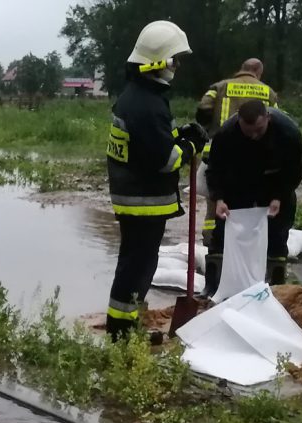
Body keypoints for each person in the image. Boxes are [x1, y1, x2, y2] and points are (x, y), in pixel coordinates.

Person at [105, 20, 207, 339]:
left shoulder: (139, 97)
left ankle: (123, 324)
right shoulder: (147, 104)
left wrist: (179, 134)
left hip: (135, 197)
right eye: (174, 59)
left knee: (133, 264)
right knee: (137, 267)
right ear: (158, 62)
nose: (177, 65)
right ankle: (122, 332)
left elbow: (151, 143)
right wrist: (192, 146)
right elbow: (166, 160)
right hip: (143, 201)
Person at [203, 100, 302, 295]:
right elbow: (214, 170)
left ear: (267, 118)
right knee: (221, 235)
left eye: (259, 130)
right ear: (239, 123)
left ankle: (276, 288)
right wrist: (219, 199)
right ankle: (213, 286)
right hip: (237, 185)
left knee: (277, 235)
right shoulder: (226, 134)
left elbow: (296, 169)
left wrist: (279, 197)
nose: (253, 136)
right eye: (248, 131)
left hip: (275, 185)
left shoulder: (287, 133)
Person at [195, 59, 279, 245]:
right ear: (258, 72)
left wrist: (210, 129)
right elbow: (277, 121)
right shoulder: (268, 91)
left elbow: (203, 108)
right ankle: (249, 242)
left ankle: (213, 243)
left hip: (219, 153)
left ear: (242, 69)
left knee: (215, 201)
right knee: (253, 202)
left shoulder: (219, 87)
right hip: (257, 158)